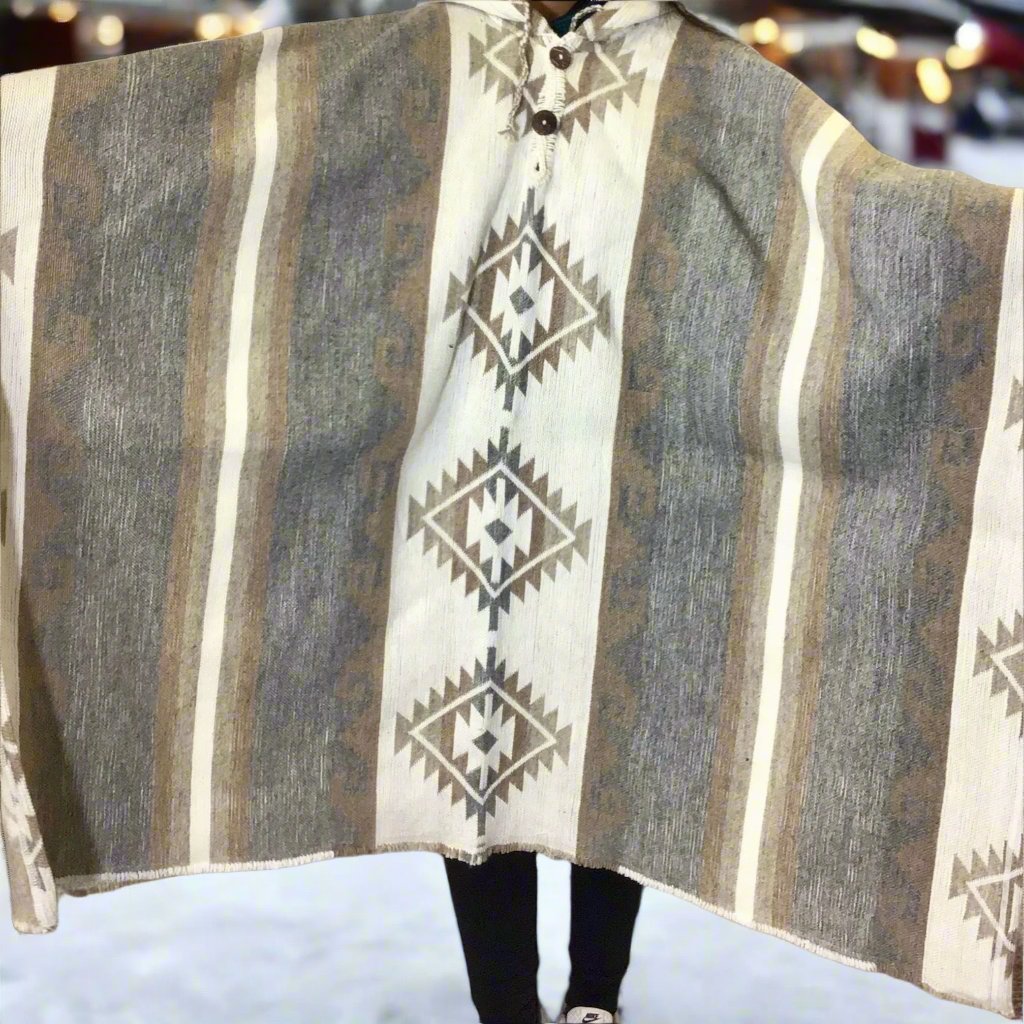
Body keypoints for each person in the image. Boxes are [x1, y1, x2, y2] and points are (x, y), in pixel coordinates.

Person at [439, 9, 644, 1024]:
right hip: (466, 449)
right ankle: (506, 1009)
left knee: (608, 720)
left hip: (621, 436)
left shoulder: (665, 54)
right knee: (474, 730)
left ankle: (594, 998)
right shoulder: (456, 41)